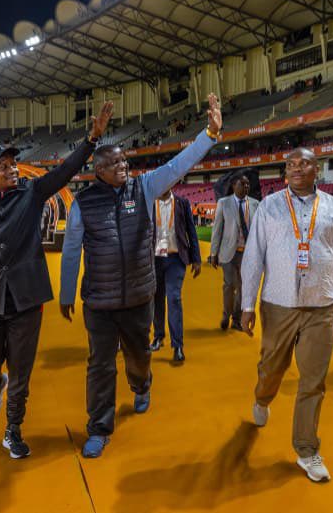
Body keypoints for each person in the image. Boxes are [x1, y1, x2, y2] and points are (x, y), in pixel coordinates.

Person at [0, 101, 112, 460]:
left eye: (13, 164)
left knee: (21, 372)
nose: (12, 169)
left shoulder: (31, 194)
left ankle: (13, 429)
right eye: (3, 166)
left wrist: (91, 141)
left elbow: (64, 172)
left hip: (26, 300)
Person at [60, 93, 222, 459]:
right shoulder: (84, 204)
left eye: (124, 161)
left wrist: (209, 135)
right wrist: (67, 293)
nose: (122, 166)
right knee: (100, 365)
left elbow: (179, 165)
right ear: (97, 170)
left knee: (137, 358)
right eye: (114, 163)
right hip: (98, 303)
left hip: (137, 297)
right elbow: (71, 251)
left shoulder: (144, 187)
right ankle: (99, 428)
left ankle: (142, 383)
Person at [239, 147, 333, 483]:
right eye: (290, 165)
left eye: (303, 163)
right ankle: (262, 398)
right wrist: (247, 304)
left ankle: (307, 449)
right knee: (272, 367)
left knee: (314, 380)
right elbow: (253, 257)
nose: (295, 169)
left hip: (321, 305)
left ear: (316, 169)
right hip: (278, 304)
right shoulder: (270, 207)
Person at [148, 187, 202, 362]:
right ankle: (158, 336)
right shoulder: (149, 203)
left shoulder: (182, 203)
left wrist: (196, 259)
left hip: (175, 259)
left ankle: (177, 345)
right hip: (155, 259)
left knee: (174, 298)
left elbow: (191, 231)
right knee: (157, 298)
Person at [209, 175, 260, 331]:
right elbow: (217, 230)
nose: (245, 187)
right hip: (228, 253)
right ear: (233, 185)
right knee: (230, 285)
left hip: (248, 254)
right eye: (242, 184)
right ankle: (226, 314)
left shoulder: (255, 204)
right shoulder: (223, 203)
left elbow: (259, 230)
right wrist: (213, 253)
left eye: (247, 184)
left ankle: (236, 320)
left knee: (244, 287)